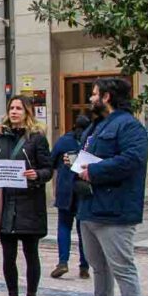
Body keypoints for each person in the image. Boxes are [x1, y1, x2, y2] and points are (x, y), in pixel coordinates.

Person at [69, 78, 148, 296]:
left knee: (122, 267)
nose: (90, 99)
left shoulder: (129, 125)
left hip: (115, 209)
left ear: (107, 96)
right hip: (90, 207)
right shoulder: (96, 125)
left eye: (93, 94)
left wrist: (95, 171)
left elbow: (133, 159)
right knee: (98, 266)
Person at [0, 96, 52, 296]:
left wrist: (37, 175)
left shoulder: (37, 138)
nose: (14, 112)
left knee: (31, 254)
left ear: (27, 112)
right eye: (11, 108)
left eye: (18, 108)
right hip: (7, 204)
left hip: (29, 203)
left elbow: (48, 168)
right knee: (8, 255)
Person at [49, 115, 91, 279]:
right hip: (83, 190)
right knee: (83, 230)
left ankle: (62, 262)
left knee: (64, 226)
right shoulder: (90, 142)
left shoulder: (63, 141)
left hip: (65, 189)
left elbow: (51, 162)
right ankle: (84, 266)